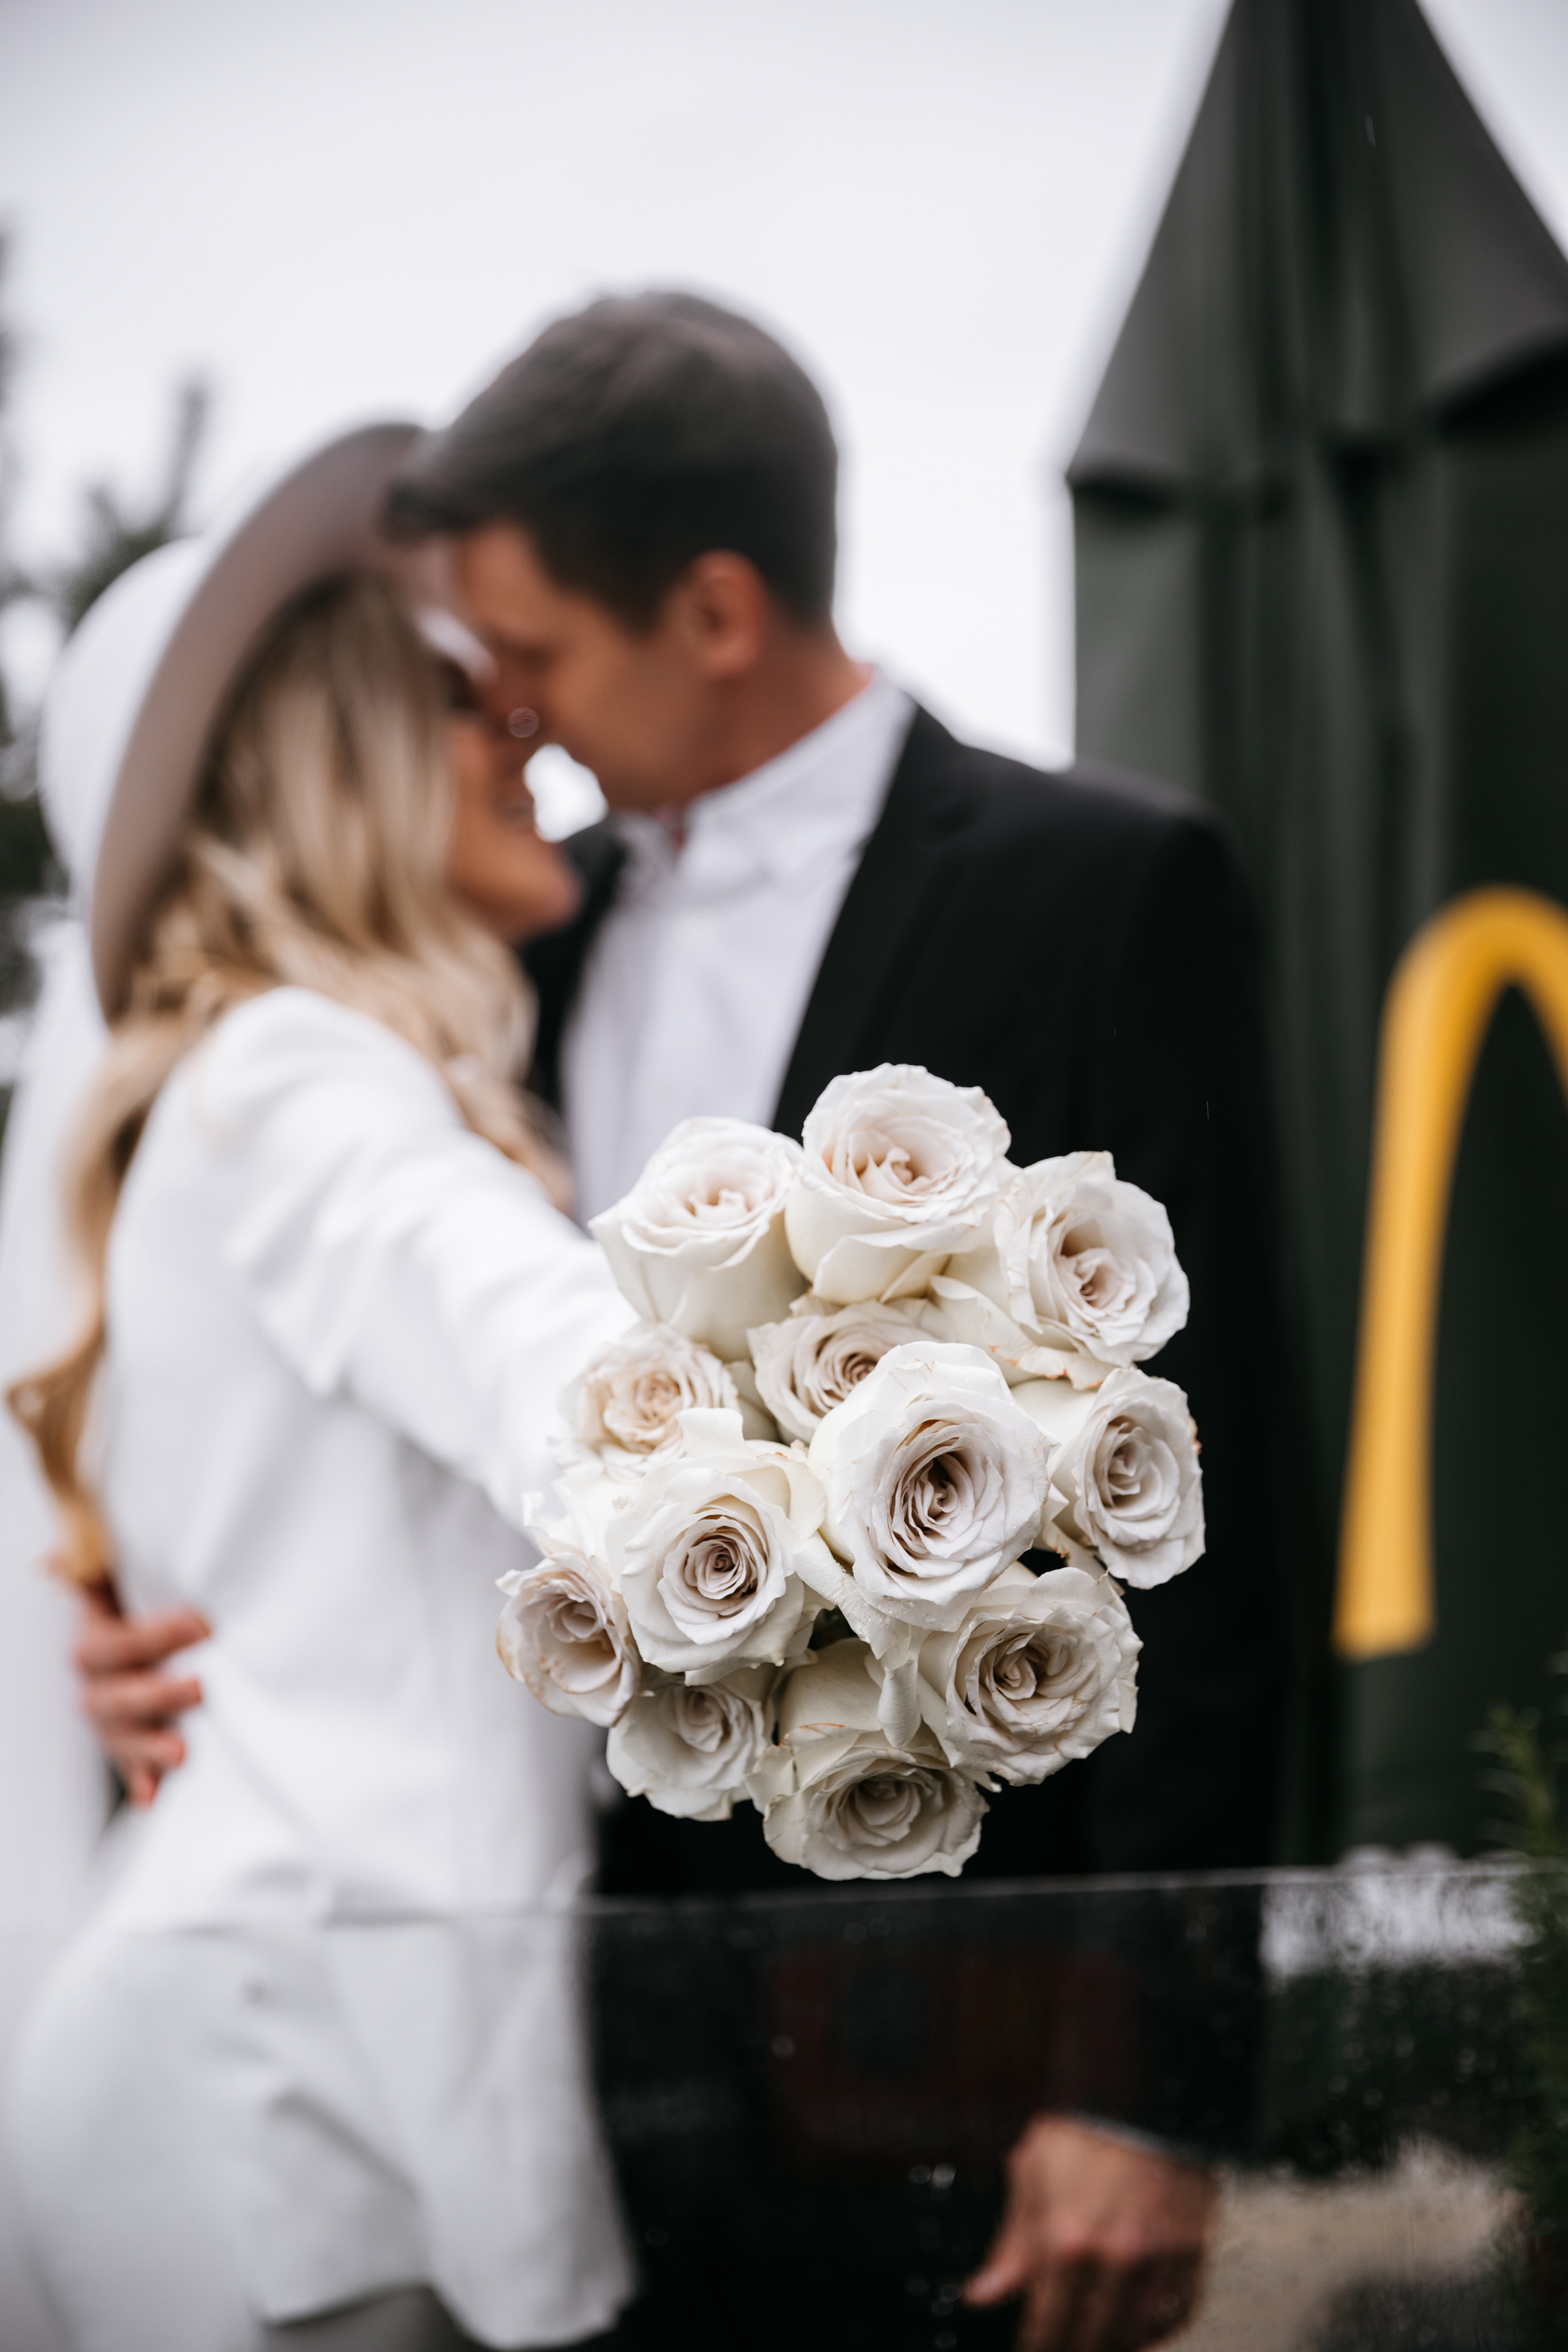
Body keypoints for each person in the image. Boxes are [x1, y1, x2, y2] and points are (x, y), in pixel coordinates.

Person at [83, 294, 1292, 2352]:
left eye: (532, 660)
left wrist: (1142, 2079)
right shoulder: (501, 960)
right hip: (553, 2046)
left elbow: (1217, 1501)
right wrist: (140, 1635)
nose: (518, 724)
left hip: (971, 2032)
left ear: (715, 611)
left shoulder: (1104, 887)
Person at [6, 424, 641, 2352]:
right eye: (462, 693)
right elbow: (520, 1339)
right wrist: (802, 1477)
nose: (524, 722)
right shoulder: (292, 1075)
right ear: (336, 750)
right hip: (281, 2104)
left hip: (328, 2069)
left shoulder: (257, 1080)